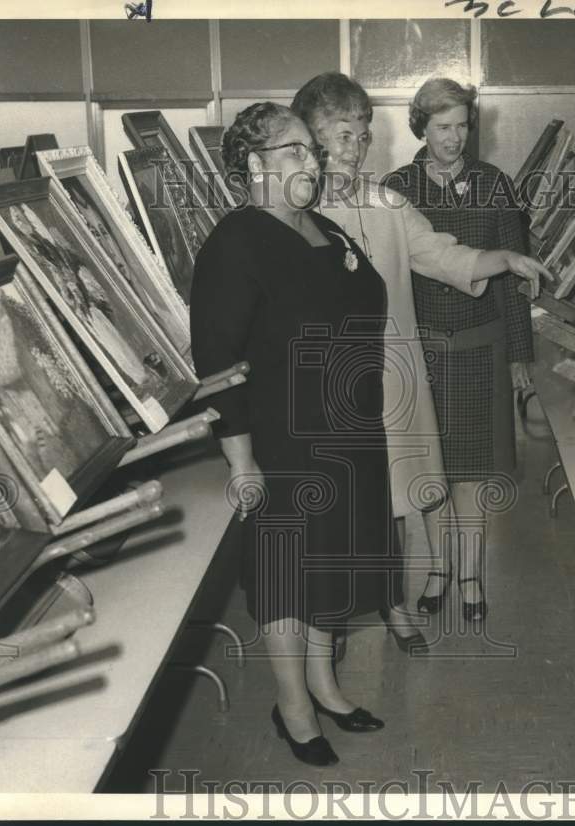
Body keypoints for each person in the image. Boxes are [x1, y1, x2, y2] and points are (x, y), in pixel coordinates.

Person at [290, 72, 545, 644]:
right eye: (342, 136)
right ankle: (328, 633)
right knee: (336, 510)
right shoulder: (293, 213)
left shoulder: (388, 203)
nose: (355, 149)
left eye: (362, 136)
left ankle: (395, 607)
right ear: (310, 139)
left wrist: (505, 259)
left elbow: (440, 253)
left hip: (392, 380)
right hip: (324, 388)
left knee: (395, 498)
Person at [191, 103, 396, 767]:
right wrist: (241, 463)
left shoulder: (322, 226)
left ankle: (325, 686)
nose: (313, 161)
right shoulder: (235, 243)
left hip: (347, 430)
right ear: (255, 165)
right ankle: (293, 707)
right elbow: (217, 364)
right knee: (286, 576)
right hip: (282, 440)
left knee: (329, 566)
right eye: (295, 152)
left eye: (313, 149)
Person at [384, 78, 537, 623]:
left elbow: (515, 278)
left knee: (472, 473)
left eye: (463, 126)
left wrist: (519, 355)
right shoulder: (396, 189)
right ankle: (438, 569)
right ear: (421, 128)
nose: (454, 137)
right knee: (432, 473)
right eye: (442, 127)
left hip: (481, 349)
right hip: (423, 351)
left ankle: (470, 576)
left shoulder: (495, 184)